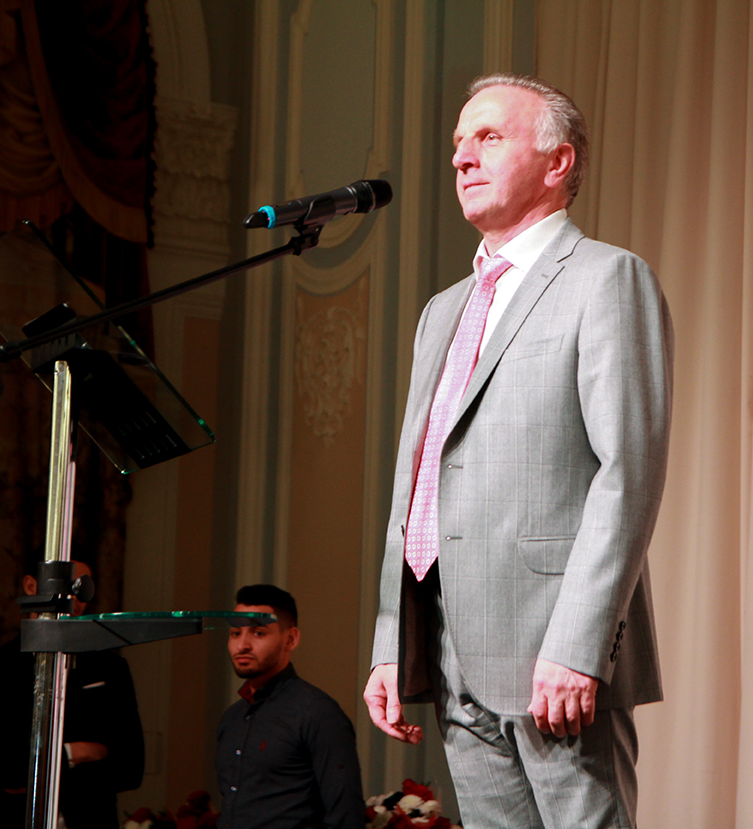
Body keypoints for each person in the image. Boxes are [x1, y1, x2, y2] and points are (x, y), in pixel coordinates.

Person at [363, 73, 673, 829]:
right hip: (448, 643)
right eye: (458, 144)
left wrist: (577, 645)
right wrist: (389, 640)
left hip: (551, 651)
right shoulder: (443, 311)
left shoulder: (606, 279)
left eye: (488, 137)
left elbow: (625, 475)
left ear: (557, 162)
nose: (461, 158)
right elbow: (418, 478)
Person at [0, 559, 145, 829]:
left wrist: (33, 771)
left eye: (84, 589)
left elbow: (129, 769)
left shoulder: (111, 667)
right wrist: (74, 753)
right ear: (32, 586)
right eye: (67, 585)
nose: (75, 599)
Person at [216, 584, 363, 829]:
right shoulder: (231, 718)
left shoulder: (317, 713)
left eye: (258, 633)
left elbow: (346, 816)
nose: (242, 645)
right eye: (235, 633)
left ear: (291, 639)